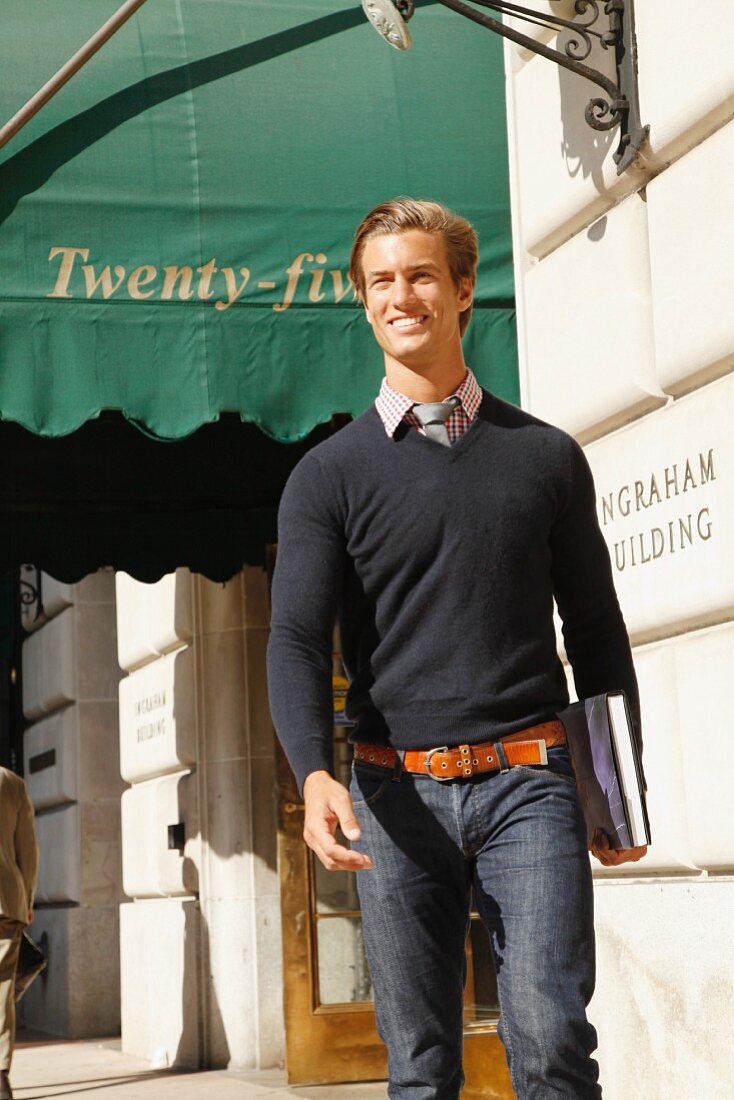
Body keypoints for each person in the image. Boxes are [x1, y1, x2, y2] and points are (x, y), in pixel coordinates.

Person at [267, 198, 647, 1100]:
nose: (404, 295)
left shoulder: (546, 457)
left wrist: (615, 792)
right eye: (383, 281)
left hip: (531, 783)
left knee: (553, 1036)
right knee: (422, 1064)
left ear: (463, 289)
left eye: (422, 275)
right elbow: (292, 636)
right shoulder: (327, 476)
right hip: (391, 793)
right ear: (364, 302)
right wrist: (312, 776)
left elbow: (594, 630)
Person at [0, 766, 38, 1100]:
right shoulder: (11, 783)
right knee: (2, 987)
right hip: (6, 900)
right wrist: (28, 898)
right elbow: (28, 852)